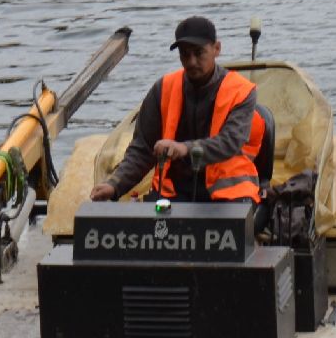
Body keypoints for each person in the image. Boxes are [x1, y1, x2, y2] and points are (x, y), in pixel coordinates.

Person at [90, 15, 263, 204]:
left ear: (217, 49)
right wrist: (115, 185)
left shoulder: (241, 91)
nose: (191, 62)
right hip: (174, 191)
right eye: (184, 54)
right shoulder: (162, 89)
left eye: (198, 53)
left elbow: (229, 142)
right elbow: (142, 149)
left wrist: (184, 149)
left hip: (230, 191)